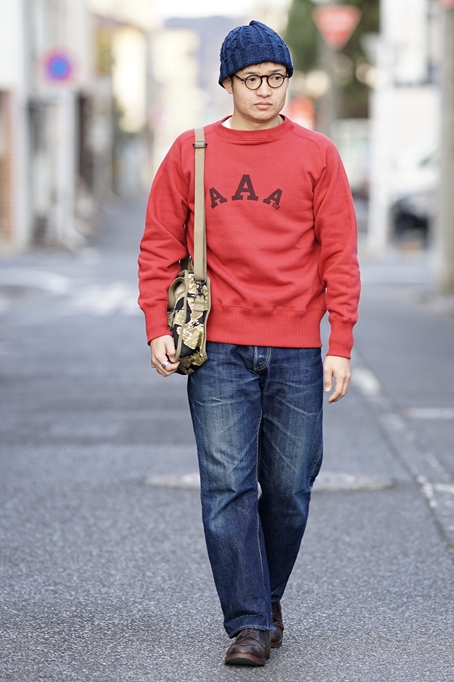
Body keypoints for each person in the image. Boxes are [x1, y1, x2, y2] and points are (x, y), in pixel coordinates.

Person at [137, 20, 361, 667]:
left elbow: (340, 254)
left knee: (289, 490)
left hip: (297, 348)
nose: (265, 90)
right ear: (228, 83)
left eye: (276, 77)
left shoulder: (318, 155)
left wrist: (340, 341)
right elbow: (159, 246)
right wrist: (157, 326)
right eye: (252, 79)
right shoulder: (192, 152)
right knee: (227, 488)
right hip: (219, 349)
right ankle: (249, 623)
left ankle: (265, 597)